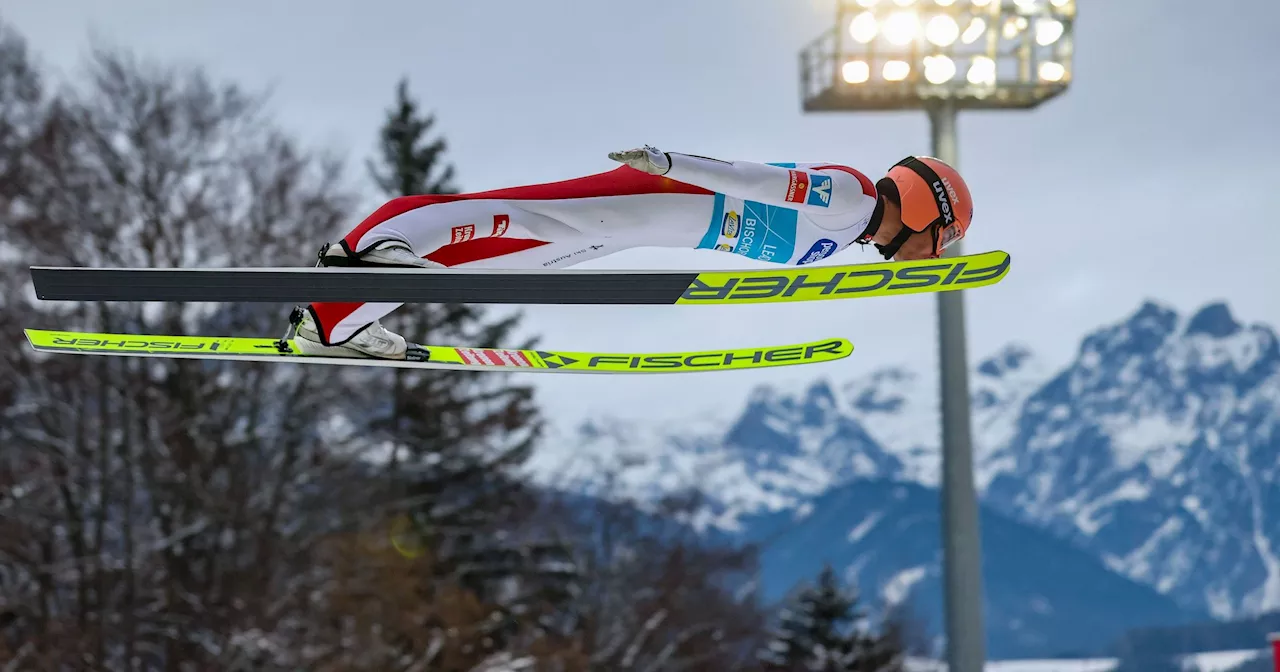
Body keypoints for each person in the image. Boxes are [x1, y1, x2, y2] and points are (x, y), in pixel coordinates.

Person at [290, 145, 974, 360]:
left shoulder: (848, 235)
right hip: (658, 193)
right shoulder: (852, 198)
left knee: (498, 260)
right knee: (514, 211)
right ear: (924, 210)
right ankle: (372, 246)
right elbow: (757, 181)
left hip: (636, 229)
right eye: (940, 239)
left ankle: (334, 322)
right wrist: (674, 159)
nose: (935, 253)